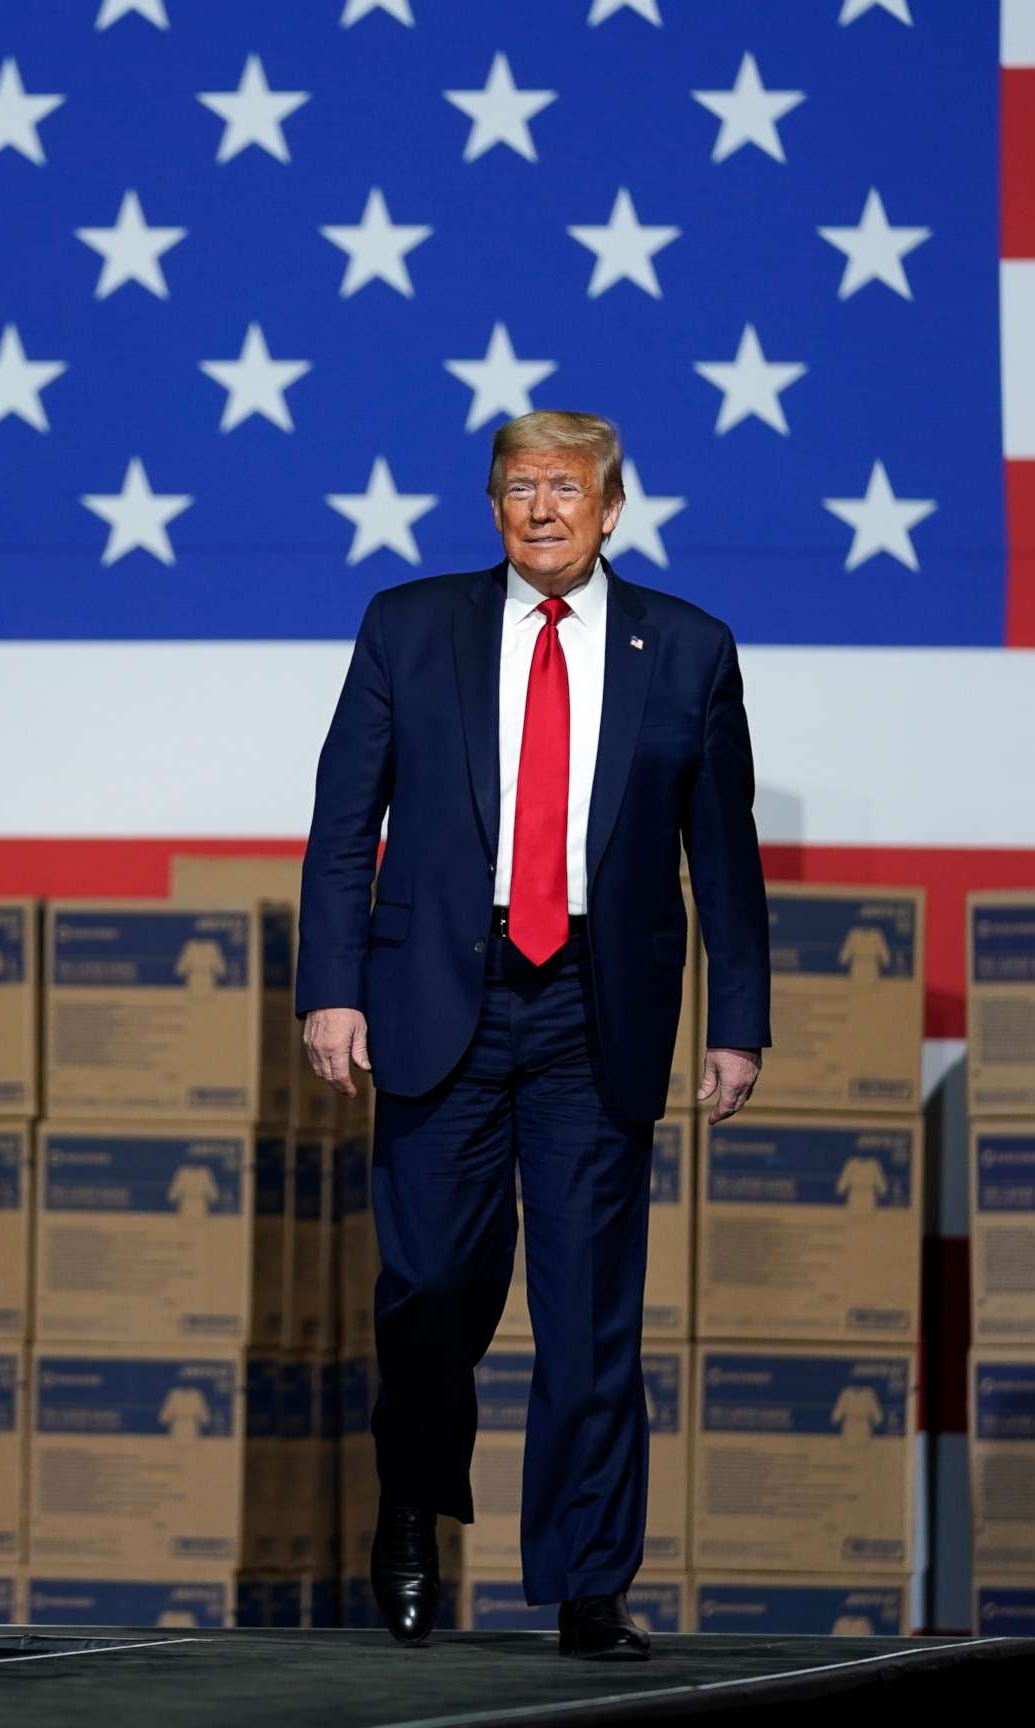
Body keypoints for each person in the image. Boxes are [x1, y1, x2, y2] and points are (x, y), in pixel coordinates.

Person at [298, 411, 771, 1660]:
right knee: (432, 1287)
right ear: (494, 507)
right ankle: (411, 1501)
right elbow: (344, 824)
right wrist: (328, 990)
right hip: (437, 1000)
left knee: (589, 1312)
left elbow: (723, 857)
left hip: (593, 1011)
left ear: (613, 509)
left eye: (569, 489)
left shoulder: (686, 648)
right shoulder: (410, 626)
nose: (544, 509)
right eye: (521, 489)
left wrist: (740, 1024)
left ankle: (587, 1585)